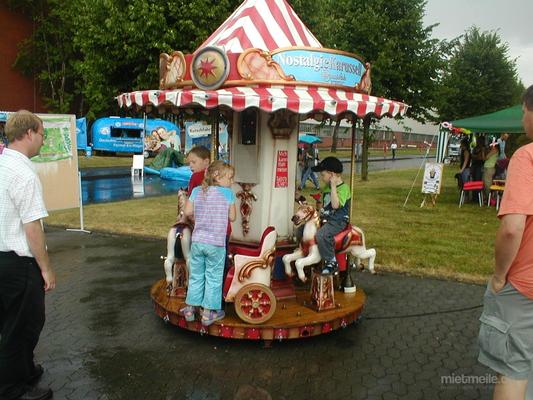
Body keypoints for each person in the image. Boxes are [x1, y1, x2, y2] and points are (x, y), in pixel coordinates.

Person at [478, 85, 533, 400]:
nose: (523, 118)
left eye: (524, 111)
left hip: (524, 287)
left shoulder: (526, 157)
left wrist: (499, 276)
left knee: (513, 369)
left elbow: (512, 228)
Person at [0, 110, 55, 400]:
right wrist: (45, 268)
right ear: (30, 133)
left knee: (10, 323)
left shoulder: (2, 164)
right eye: (42, 135)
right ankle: (12, 390)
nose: (43, 141)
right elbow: (32, 227)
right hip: (18, 262)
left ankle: (23, 371)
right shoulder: (24, 173)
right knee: (23, 326)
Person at [180, 161, 236, 326]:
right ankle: (208, 312)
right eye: (230, 178)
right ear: (217, 176)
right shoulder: (227, 194)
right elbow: (232, 217)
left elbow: (188, 211)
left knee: (196, 275)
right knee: (213, 277)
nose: (231, 182)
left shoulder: (197, 191)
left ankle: (190, 308)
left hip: (198, 241)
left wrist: (199, 217)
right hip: (217, 243)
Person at [311, 156, 351, 275]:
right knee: (303, 231)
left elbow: (335, 205)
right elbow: (325, 204)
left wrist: (333, 186)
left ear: (332, 174)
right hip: (326, 219)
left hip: (338, 221)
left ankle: (331, 262)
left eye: (323, 175)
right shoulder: (326, 187)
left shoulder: (344, 188)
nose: (321, 178)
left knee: (322, 235)